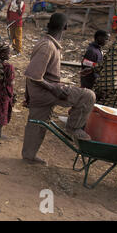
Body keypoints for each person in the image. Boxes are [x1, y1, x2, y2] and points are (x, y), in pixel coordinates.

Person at [22, 13, 95, 165]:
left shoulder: (47, 43)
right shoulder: (47, 47)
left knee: (36, 124)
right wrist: (54, 89)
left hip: (39, 93)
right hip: (46, 91)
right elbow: (34, 74)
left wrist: (29, 96)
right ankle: (74, 128)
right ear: (65, 27)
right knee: (88, 96)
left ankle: (29, 155)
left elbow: (32, 75)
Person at [93, 14, 117, 109]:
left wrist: (100, 92)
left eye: (116, 23)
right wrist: (94, 68)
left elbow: (109, 75)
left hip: (115, 95)